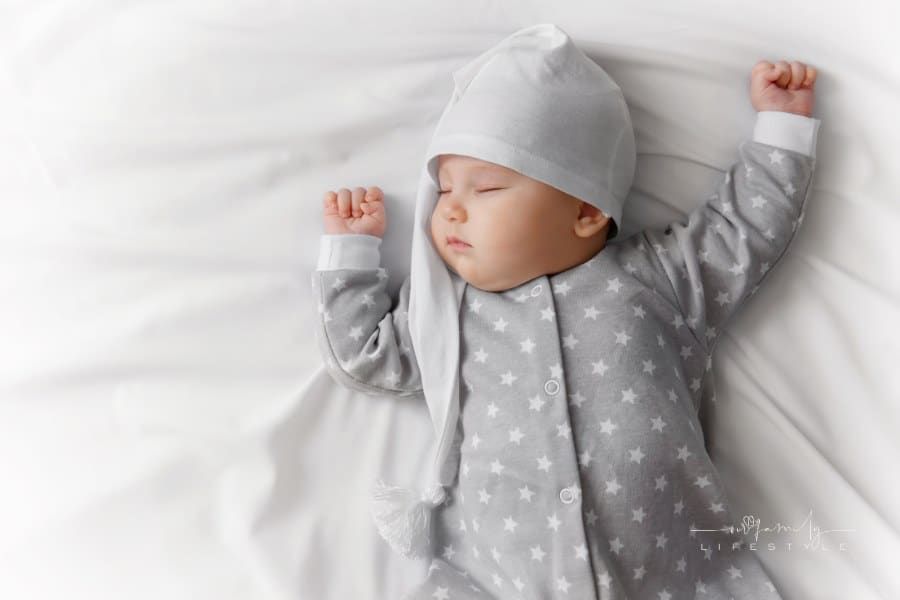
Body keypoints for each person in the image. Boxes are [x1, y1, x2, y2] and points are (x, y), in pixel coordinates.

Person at [311, 23, 820, 599]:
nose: (451, 210)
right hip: (494, 583)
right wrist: (352, 254)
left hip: (672, 576)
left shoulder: (658, 278)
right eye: (445, 189)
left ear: (585, 212)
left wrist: (782, 127)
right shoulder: (445, 313)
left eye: (486, 190)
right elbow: (365, 356)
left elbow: (743, 230)